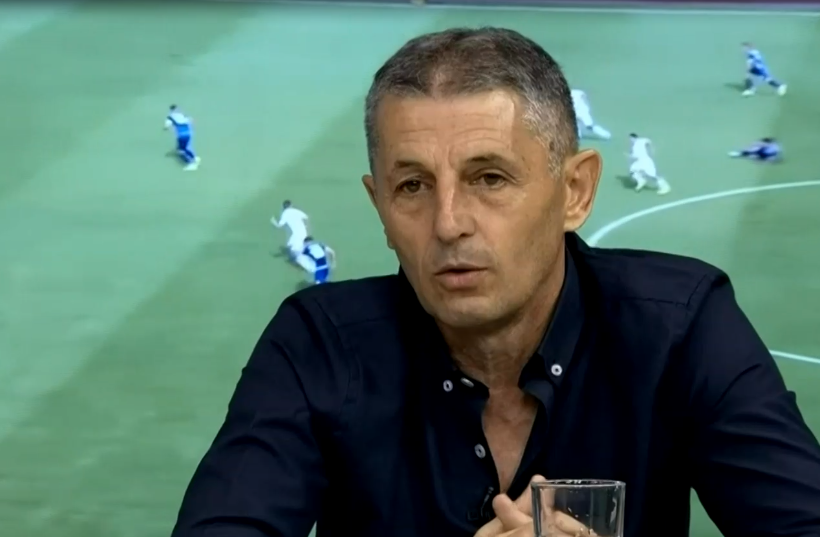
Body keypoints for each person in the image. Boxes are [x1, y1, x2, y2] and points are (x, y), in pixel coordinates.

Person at [172, 28, 820, 537]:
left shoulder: (679, 326)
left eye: (489, 178)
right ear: (380, 208)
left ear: (574, 190)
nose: (448, 223)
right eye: (412, 186)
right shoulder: (318, 346)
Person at [270, 200, 310, 266]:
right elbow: (306, 217)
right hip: (302, 232)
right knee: (292, 246)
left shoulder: (285, 214)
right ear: (291, 205)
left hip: (297, 234)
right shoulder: (296, 210)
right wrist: (306, 225)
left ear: (283, 207)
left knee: (295, 248)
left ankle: (303, 262)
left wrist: (273, 221)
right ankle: (295, 258)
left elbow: (279, 225)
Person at [164, 105, 201, 171]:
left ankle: (192, 162)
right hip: (189, 133)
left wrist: (165, 128)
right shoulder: (182, 115)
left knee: (183, 149)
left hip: (181, 135)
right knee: (184, 146)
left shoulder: (170, 117)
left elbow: (167, 126)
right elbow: (191, 121)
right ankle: (194, 157)